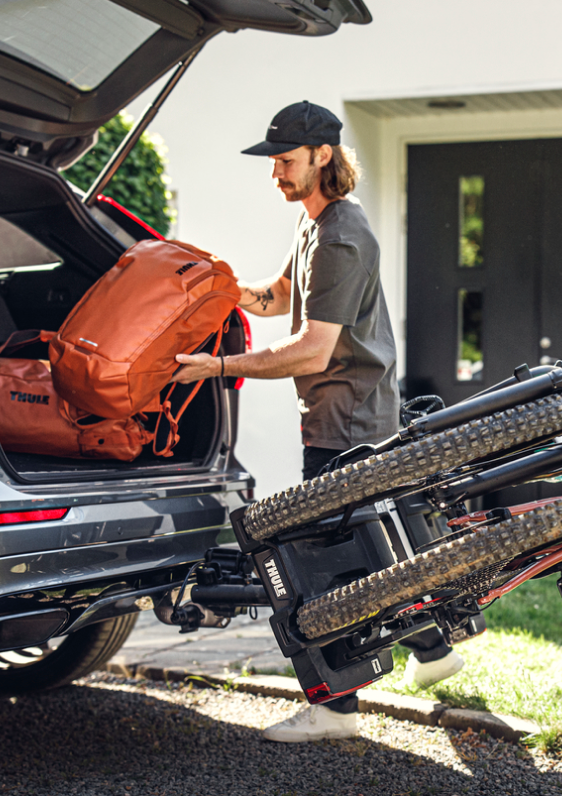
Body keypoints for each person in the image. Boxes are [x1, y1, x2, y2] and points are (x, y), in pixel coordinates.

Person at [172, 101, 463, 742]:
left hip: (347, 421)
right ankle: (435, 652)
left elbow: (312, 348)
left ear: (322, 157)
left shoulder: (341, 235)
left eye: (284, 161)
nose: (275, 172)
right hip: (345, 413)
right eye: (273, 162)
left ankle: (337, 710)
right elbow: (281, 295)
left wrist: (217, 366)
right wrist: (221, 289)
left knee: (324, 570)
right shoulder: (317, 225)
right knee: (368, 555)